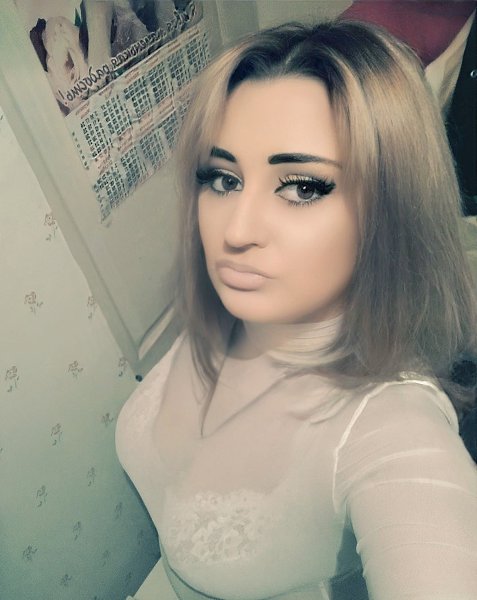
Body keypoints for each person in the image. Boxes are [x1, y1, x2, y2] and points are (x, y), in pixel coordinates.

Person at [116, 20, 477, 600]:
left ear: (391, 208)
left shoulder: (393, 430)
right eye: (223, 178)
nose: (235, 231)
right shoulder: (241, 307)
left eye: (302, 187)